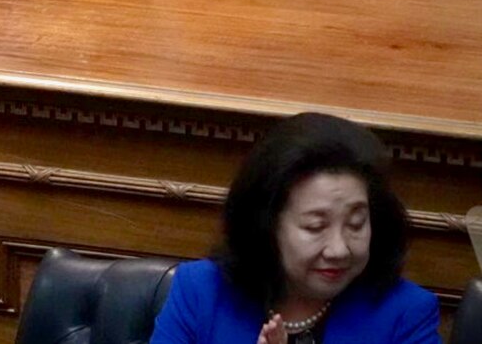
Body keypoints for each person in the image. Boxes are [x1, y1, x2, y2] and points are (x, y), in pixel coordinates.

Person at [150, 113, 438, 344]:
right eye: (316, 226)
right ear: (267, 225)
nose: (339, 249)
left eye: (356, 224)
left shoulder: (407, 314)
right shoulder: (200, 291)